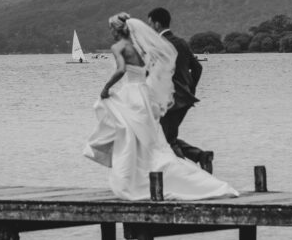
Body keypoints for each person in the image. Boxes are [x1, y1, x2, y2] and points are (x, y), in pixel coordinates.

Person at [83, 12, 238, 201]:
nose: (110, 33)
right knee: (154, 140)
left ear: (117, 29)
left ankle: (137, 178)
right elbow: (158, 68)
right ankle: (186, 170)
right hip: (146, 95)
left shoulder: (119, 47)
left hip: (135, 95)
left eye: (111, 29)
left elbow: (122, 69)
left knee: (137, 139)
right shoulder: (143, 47)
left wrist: (106, 87)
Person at [147, 7, 212, 170]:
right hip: (184, 99)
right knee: (167, 137)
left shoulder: (160, 45)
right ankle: (199, 156)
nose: (150, 28)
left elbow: (153, 72)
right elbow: (197, 68)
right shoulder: (181, 42)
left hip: (169, 101)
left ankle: (190, 171)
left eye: (150, 24)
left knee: (165, 140)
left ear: (156, 24)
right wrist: (190, 89)